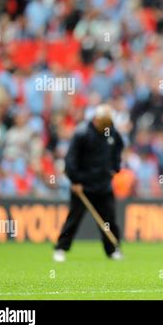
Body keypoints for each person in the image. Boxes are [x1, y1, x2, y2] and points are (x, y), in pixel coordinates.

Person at [53, 104, 124, 262]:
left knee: (108, 220)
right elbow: (70, 160)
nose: (108, 126)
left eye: (109, 123)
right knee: (74, 219)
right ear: (96, 120)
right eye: (105, 123)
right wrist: (75, 180)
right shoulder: (82, 133)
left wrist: (115, 168)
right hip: (82, 186)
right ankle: (60, 248)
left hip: (103, 185)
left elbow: (118, 151)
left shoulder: (112, 133)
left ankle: (113, 249)